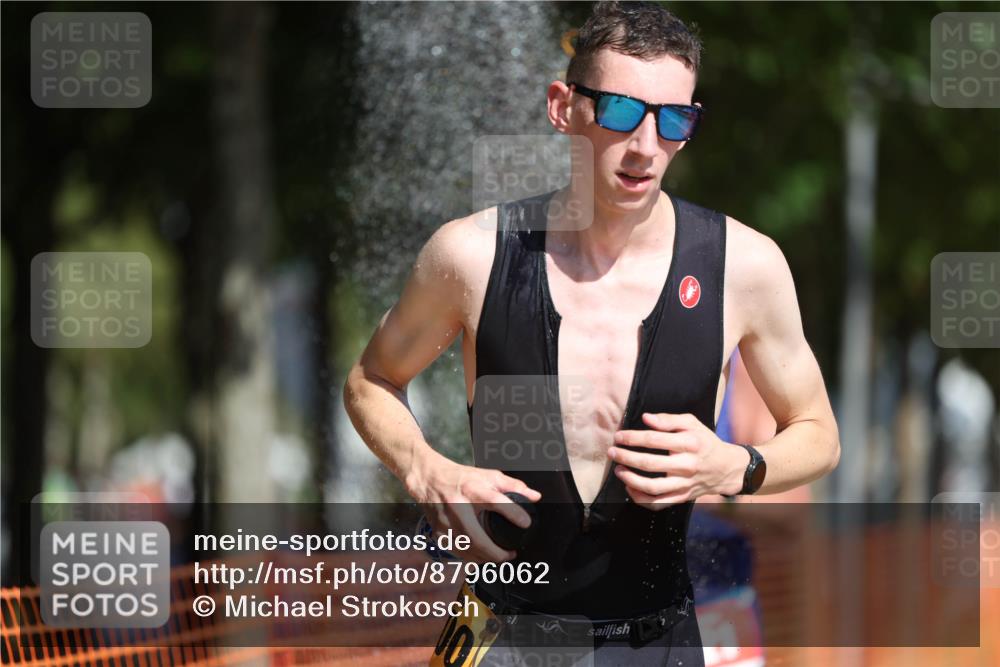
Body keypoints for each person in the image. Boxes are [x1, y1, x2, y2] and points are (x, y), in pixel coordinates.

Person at [344, 2, 840, 664]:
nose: (645, 146)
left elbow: (819, 433)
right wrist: (423, 466)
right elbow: (371, 379)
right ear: (563, 107)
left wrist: (733, 465)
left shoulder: (743, 267)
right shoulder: (472, 255)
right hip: (502, 634)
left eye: (673, 120)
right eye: (620, 112)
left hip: (655, 639)